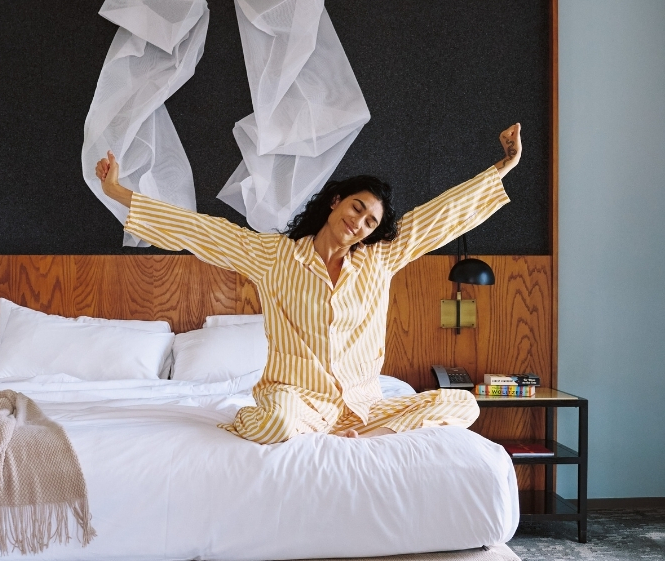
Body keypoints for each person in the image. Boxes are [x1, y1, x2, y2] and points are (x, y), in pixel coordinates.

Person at [95, 124, 522, 444]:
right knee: (277, 423)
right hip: (298, 402)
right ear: (336, 202)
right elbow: (200, 231)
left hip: (364, 408)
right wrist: (117, 192)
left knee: (463, 402)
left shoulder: (379, 260)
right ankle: (262, 421)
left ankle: (364, 437)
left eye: (370, 222)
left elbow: (440, 217)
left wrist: (503, 167)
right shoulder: (274, 256)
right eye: (356, 208)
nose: (359, 223)